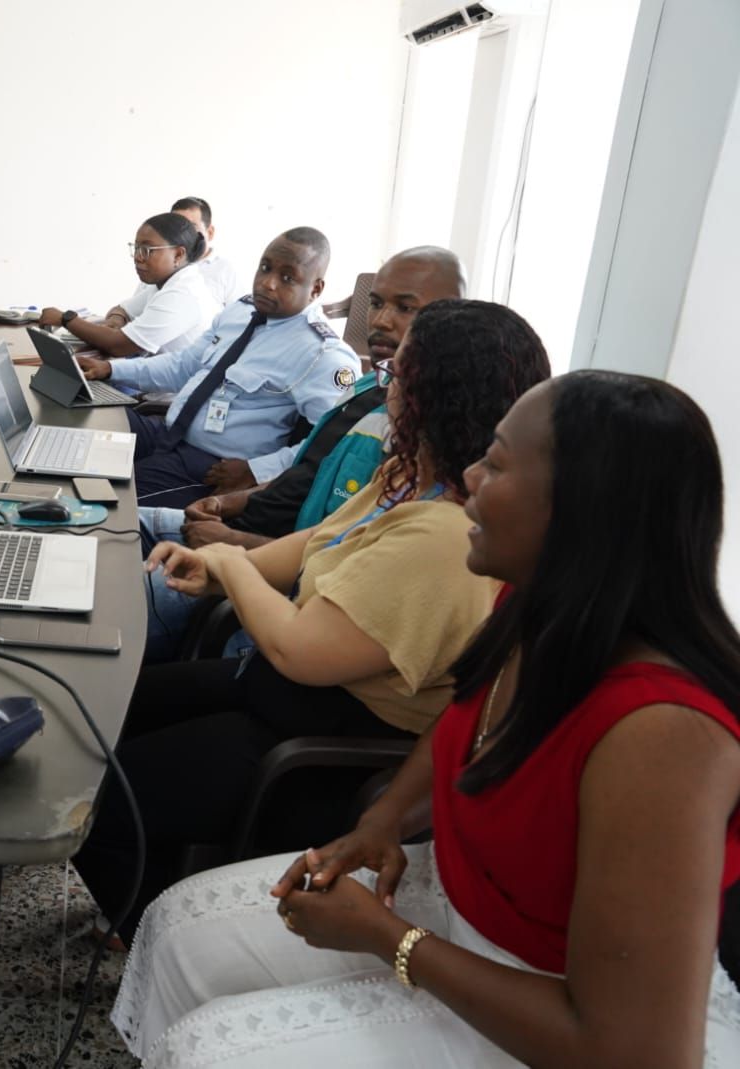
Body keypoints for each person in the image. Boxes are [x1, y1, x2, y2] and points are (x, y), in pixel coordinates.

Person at [113, 370, 740, 1068]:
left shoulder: (663, 734)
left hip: (561, 1008)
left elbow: (636, 1049)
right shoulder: (538, 609)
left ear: (579, 508)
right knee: (176, 929)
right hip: (459, 905)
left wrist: (392, 939)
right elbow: (464, 720)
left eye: (497, 463)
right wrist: (384, 821)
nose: (470, 475)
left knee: (207, 1051)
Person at [73, 299, 553, 943]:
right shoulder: (410, 476)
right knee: (99, 714)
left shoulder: (444, 536)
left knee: (96, 803)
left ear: (437, 395)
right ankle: (151, 894)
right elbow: (317, 544)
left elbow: (305, 652)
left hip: (322, 735)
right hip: (278, 689)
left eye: (399, 377)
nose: (387, 389)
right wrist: (216, 568)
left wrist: (229, 564)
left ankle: (155, 936)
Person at [139, 248, 467, 656]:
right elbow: (308, 470)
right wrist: (234, 501)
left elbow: (336, 557)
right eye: (377, 303)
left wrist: (233, 545)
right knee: (108, 527)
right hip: (245, 532)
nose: (380, 321)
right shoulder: (369, 388)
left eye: (405, 308)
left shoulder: (415, 428)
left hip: (274, 566)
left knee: (115, 599)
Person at [78, 228, 360, 509]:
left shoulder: (324, 355)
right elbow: (184, 365)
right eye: (265, 268)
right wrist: (111, 370)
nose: (267, 283)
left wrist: (256, 470)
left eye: (287, 277)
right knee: (85, 428)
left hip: (208, 465)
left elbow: (331, 443)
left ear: (316, 288)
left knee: (104, 501)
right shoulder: (241, 311)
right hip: (167, 435)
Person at [37, 211, 216, 357]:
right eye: (136, 248)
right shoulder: (164, 284)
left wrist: (65, 319)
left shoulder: (182, 295)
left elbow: (118, 346)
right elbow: (121, 309)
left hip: (167, 399)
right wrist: (116, 321)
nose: (138, 257)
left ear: (178, 255)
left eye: (147, 250)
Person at [168, 196, 239, 309]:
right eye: (176, 227)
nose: (182, 235)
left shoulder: (226, 270)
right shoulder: (161, 264)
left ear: (210, 233)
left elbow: (238, 319)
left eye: (191, 228)